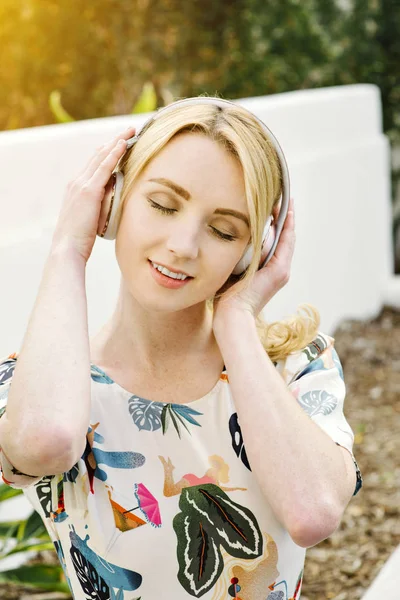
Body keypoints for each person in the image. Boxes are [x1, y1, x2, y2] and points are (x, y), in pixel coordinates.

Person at [0, 96, 362, 600]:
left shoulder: (296, 367)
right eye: (163, 204)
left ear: (252, 251)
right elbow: (44, 442)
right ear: (112, 201)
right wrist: (68, 249)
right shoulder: (39, 385)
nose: (184, 244)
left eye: (223, 230)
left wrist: (236, 320)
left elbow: (312, 512)